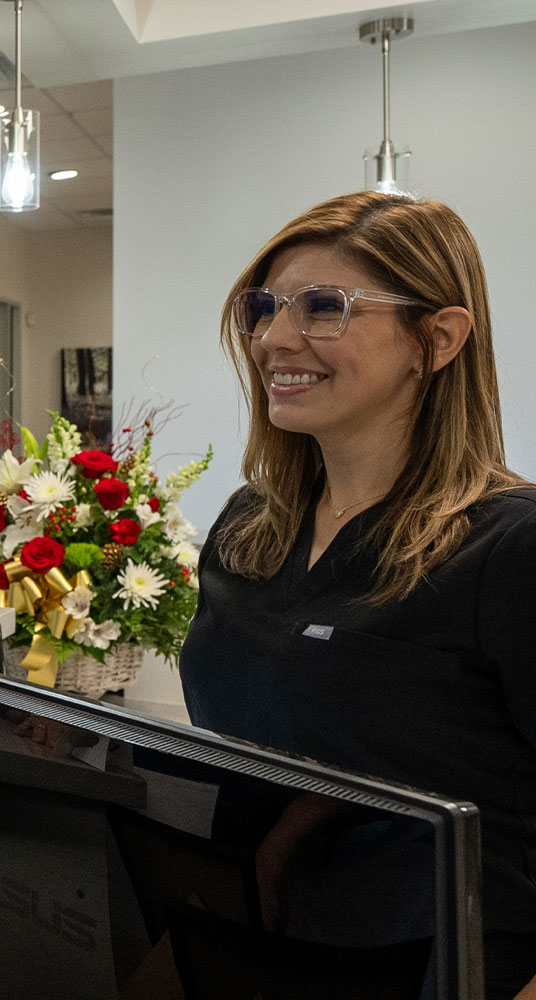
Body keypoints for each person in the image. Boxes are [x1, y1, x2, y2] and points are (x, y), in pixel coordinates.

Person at [180, 191, 536, 998]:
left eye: (325, 307)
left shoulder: (511, 545)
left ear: (437, 340)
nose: (273, 338)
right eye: (264, 307)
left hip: (448, 963)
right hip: (260, 943)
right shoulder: (249, 529)